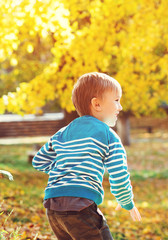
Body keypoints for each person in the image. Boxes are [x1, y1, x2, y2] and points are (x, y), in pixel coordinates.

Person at [32, 72, 141, 240]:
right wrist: (127, 202)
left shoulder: (63, 132)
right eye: (117, 100)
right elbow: (118, 175)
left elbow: (39, 161)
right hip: (81, 206)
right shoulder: (108, 135)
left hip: (52, 207)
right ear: (97, 104)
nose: (120, 107)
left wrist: (64, 170)